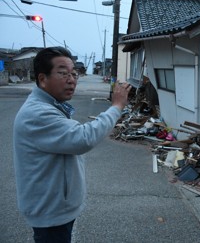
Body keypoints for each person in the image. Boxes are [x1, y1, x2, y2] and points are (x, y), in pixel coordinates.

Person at [13, 46, 132, 243]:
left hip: (55, 206)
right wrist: (117, 106)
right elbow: (83, 138)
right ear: (42, 79)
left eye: (74, 73)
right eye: (62, 73)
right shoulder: (37, 113)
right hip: (50, 212)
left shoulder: (50, 105)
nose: (71, 80)